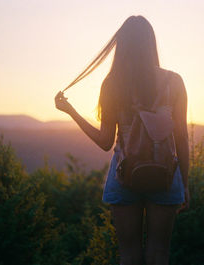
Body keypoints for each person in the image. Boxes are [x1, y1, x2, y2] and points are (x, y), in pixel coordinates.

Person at [54, 15, 189, 265]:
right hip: (167, 175)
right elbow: (181, 137)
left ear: (122, 45)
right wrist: (185, 183)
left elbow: (106, 142)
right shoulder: (175, 82)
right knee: (159, 253)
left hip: (123, 175)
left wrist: (71, 112)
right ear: (151, 44)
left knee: (129, 256)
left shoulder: (112, 84)